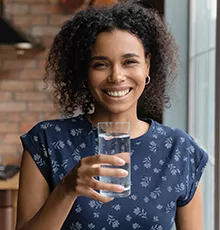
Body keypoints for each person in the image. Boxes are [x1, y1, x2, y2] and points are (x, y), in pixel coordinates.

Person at [16, 1, 208, 230]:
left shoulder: (179, 150)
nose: (116, 76)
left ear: (147, 66)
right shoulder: (47, 142)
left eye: (129, 62)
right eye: (100, 65)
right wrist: (66, 190)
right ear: (85, 73)